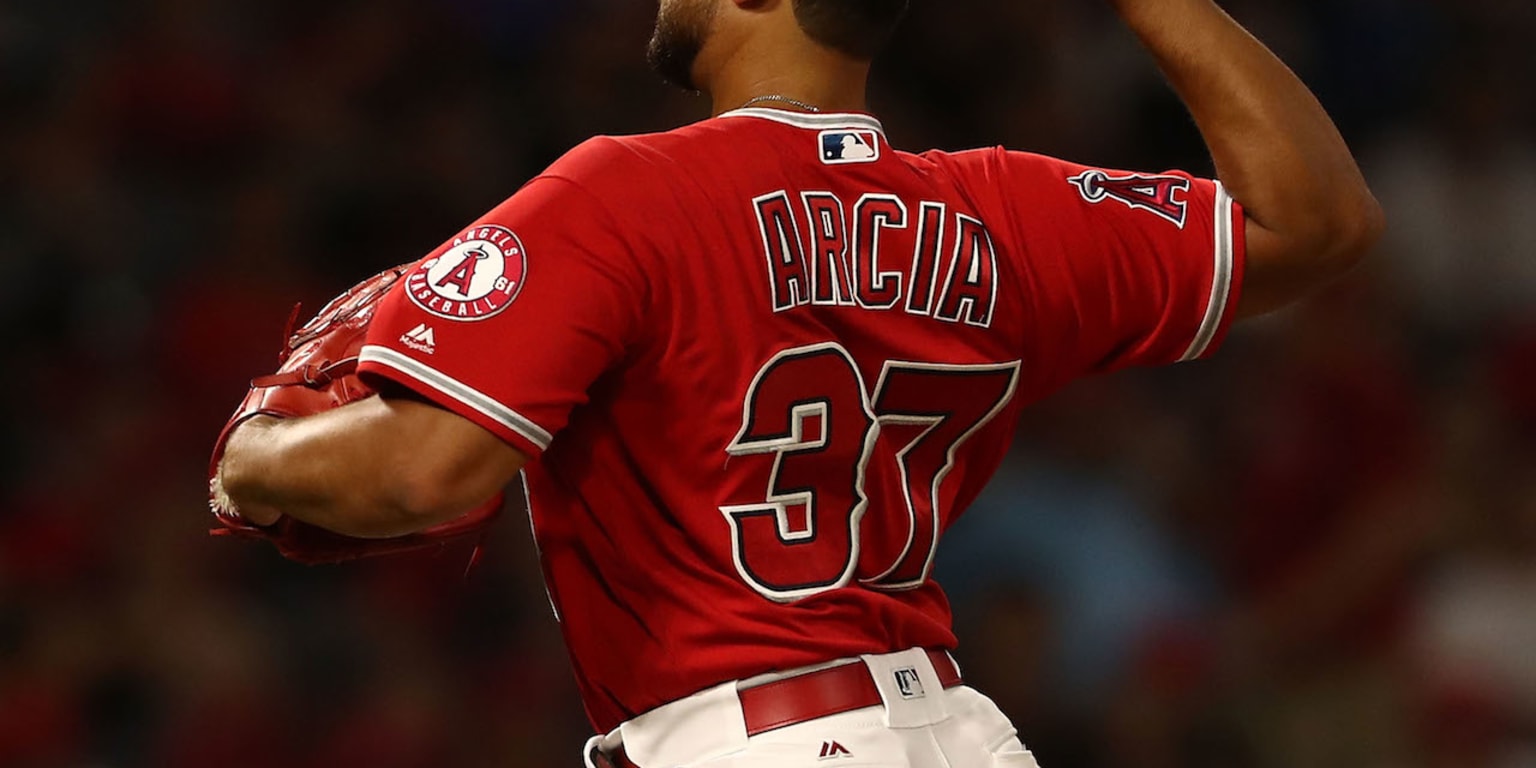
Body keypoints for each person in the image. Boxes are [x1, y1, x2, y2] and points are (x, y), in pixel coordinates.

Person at [214, 0, 1384, 765]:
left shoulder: (625, 193)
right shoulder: (996, 211)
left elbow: (423, 469)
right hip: (960, 735)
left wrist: (254, 452)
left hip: (753, 741)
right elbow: (1319, 221)